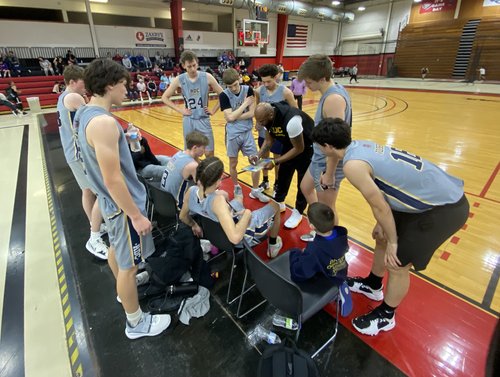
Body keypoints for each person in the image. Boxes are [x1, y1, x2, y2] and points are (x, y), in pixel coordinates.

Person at [311, 117, 469, 336]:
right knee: (381, 236)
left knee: (397, 264)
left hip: (443, 209)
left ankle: (386, 315)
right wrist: (384, 228)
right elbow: (387, 189)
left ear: (327, 146)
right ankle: (373, 285)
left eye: (319, 145)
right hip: (429, 198)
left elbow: (380, 206)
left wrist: (395, 242)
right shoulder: (360, 145)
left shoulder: (352, 165)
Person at [75, 58, 171, 339]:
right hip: (121, 205)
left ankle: (123, 291)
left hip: (110, 205)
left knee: (118, 252)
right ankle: (136, 323)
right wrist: (137, 215)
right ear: (108, 86)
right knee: (129, 267)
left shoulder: (85, 115)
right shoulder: (103, 122)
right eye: (123, 85)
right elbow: (113, 179)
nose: (127, 90)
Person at [179, 157, 283, 258]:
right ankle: (273, 245)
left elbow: (182, 216)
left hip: (215, 233)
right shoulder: (218, 202)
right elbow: (235, 238)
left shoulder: (191, 191)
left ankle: (238, 199)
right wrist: (247, 213)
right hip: (241, 235)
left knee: (237, 200)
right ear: (218, 181)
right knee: (276, 206)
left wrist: (194, 225)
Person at [297, 54, 352, 241]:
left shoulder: (333, 100)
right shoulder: (331, 92)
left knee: (328, 207)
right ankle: (320, 225)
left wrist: (329, 173)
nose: (307, 86)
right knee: (305, 187)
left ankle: (333, 243)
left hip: (328, 164)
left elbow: (336, 142)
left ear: (322, 78)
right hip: (318, 159)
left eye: (309, 82)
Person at [57, 64, 108, 260]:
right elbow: (92, 114)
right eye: (82, 82)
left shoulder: (62, 97)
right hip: (79, 154)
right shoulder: (73, 97)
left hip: (71, 153)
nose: (85, 85)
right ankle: (94, 238)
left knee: (87, 190)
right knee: (102, 192)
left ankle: (94, 224)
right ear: (72, 82)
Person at [253, 101, 314, 229]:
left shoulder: (292, 121)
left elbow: (299, 149)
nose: (259, 124)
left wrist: (275, 161)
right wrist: (258, 155)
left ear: (270, 115)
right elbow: (269, 140)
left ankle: (298, 212)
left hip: (306, 148)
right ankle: (279, 202)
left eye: (261, 121)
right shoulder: (266, 118)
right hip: (289, 145)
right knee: (283, 176)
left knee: (302, 183)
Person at [219, 68, 269, 203]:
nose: (234, 88)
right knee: (233, 163)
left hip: (247, 132)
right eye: (230, 86)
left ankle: (255, 190)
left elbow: (251, 113)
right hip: (232, 134)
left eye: (235, 84)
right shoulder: (224, 95)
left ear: (239, 79)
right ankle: (236, 187)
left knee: (255, 161)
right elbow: (229, 119)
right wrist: (245, 104)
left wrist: (234, 116)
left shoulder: (248, 90)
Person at [162, 50, 224, 157]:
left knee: (209, 152)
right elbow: (164, 97)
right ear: (183, 66)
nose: (192, 69)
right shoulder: (179, 79)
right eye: (189, 66)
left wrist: (213, 110)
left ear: (197, 63)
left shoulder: (207, 77)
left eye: (194, 65)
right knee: (190, 153)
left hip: (203, 119)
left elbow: (223, 95)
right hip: (189, 120)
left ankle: (208, 172)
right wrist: (180, 110)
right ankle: (196, 172)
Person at [255, 64, 297, 194]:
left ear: (276, 77)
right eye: (263, 81)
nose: (266, 84)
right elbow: (257, 108)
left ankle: (277, 183)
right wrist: (257, 121)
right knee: (264, 157)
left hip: (279, 133)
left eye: (269, 81)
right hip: (264, 132)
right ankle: (265, 180)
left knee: (277, 159)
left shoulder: (286, 92)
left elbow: (296, 112)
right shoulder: (258, 91)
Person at [160, 131, 208, 209]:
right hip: (177, 204)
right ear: (195, 148)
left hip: (162, 196)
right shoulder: (193, 165)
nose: (205, 150)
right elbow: (203, 187)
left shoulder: (179, 154)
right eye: (203, 148)